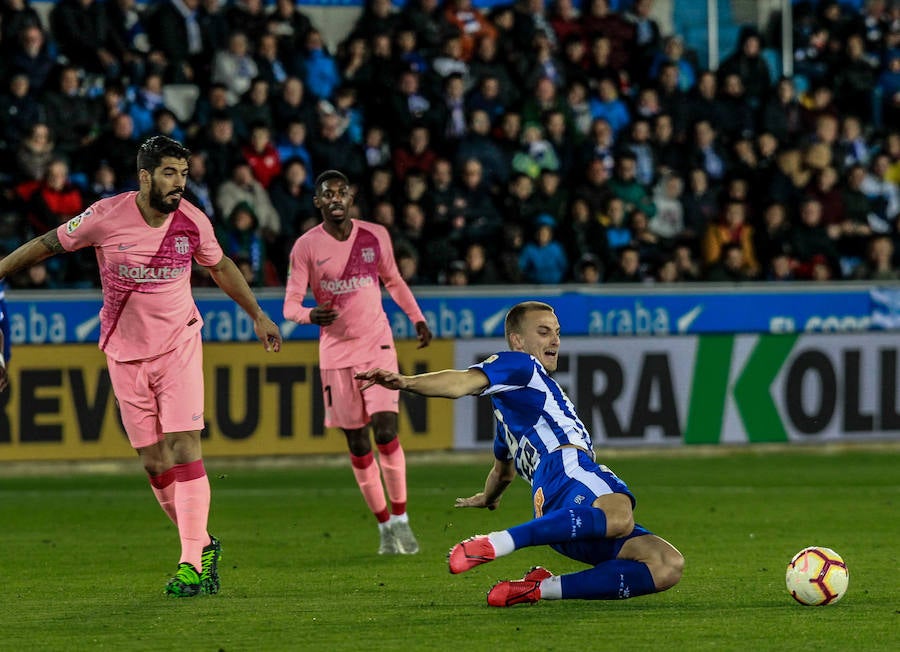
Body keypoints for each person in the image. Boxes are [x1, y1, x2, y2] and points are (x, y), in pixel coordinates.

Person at [0, 136, 283, 597]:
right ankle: (202, 544)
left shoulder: (192, 221)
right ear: (146, 176)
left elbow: (221, 265)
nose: (179, 184)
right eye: (170, 174)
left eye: (184, 175)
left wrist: (257, 314)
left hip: (179, 345)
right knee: (154, 463)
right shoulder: (105, 216)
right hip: (124, 351)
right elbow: (48, 243)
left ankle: (190, 563)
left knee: (184, 444)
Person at [356, 301, 684, 606]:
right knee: (619, 515)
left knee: (666, 564)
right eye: (543, 332)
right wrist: (405, 382)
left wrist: (487, 498)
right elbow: (462, 383)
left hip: (559, 518)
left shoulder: (507, 423)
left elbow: (503, 472)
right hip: (569, 473)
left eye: (557, 332)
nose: (554, 340)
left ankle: (538, 588)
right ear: (517, 340)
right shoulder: (523, 364)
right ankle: (497, 542)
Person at [283, 169, 433, 556]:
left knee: (386, 429)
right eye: (327, 193)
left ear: (351, 198)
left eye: (341, 192)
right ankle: (384, 525)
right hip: (336, 353)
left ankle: (401, 518)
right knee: (357, 440)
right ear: (317, 202)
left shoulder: (374, 235)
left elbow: (394, 280)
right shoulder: (305, 247)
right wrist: (308, 316)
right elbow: (290, 305)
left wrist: (416, 316)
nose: (335, 198)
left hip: (376, 345)